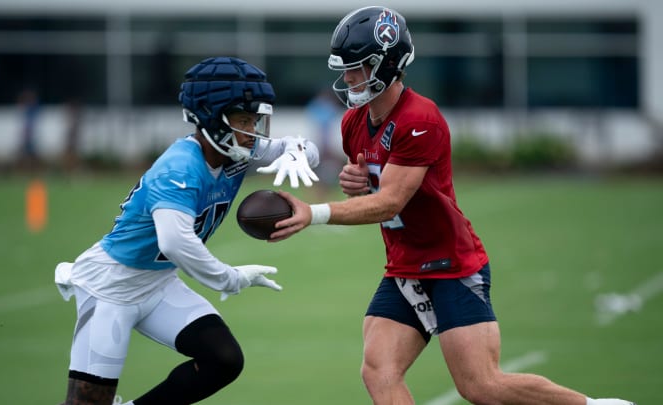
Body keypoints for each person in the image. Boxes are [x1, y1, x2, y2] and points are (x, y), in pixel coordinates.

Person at [270, 6, 635, 405]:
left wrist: (315, 213)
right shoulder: (352, 123)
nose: (347, 78)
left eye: (358, 67)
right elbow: (376, 185)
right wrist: (357, 183)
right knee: (379, 370)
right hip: (405, 264)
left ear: (388, 64)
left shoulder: (420, 118)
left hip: (449, 264)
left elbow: (390, 202)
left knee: (481, 386)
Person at [54, 56, 319, 405]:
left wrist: (299, 152)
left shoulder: (235, 149)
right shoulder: (179, 167)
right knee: (87, 403)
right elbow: (176, 242)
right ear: (212, 117)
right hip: (111, 286)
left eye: (255, 119)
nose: (253, 130)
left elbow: (300, 147)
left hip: (157, 282)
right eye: (244, 119)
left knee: (223, 360)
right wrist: (230, 278)